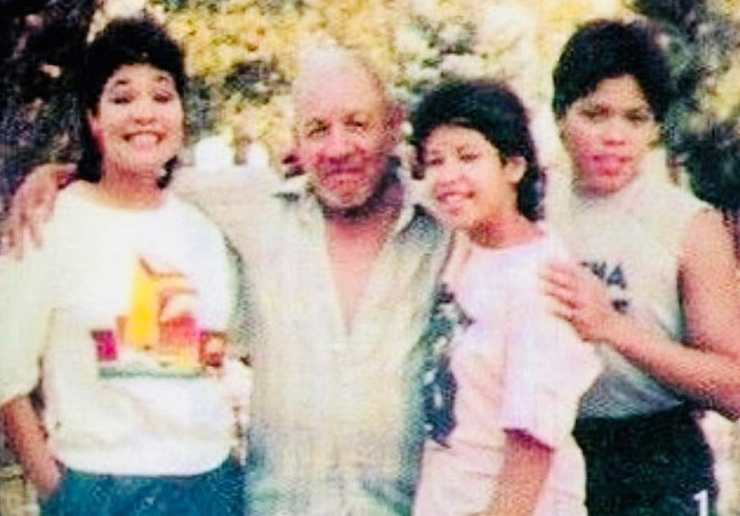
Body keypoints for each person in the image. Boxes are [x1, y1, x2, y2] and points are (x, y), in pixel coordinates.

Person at [2, 45, 449, 515]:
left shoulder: (445, 229)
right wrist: (59, 176)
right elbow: (134, 172)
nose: (337, 149)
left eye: (357, 124)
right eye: (318, 129)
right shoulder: (251, 211)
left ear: (393, 124)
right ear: (296, 139)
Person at [0, 17, 246, 516]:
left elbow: (216, 359)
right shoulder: (47, 223)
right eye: (121, 96)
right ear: (93, 118)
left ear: (181, 113)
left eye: (162, 95)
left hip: (211, 485)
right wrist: (59, 493)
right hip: (100, 489)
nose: (144, 113)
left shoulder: (206, 227)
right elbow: (7, 377)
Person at [542, 19, 740, 516]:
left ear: (655, 128)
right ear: (561, 114)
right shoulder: (533, 209)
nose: (614, 136)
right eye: (595, 114)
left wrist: (613, 328)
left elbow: (733, 386)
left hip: (654, 457)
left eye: (635, 118)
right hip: (547, 445)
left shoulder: (689, 225)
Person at [408, 80, 600, 516]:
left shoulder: (540, 281)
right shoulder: (467, 246)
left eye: (468, 157)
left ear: (513, 166)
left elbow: (532, 444)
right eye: (435, 160)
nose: (448, 176)